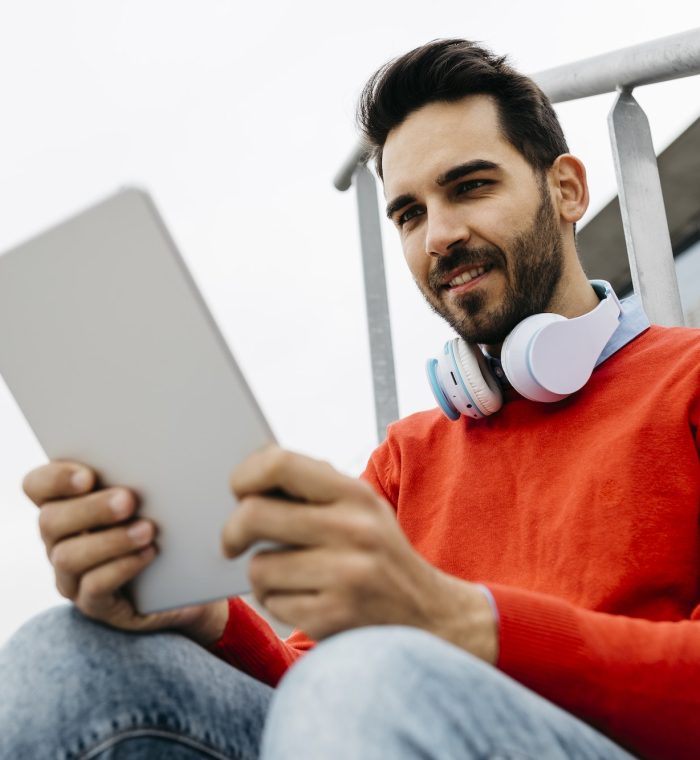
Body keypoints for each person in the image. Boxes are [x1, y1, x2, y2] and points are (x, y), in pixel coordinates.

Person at [1, 38, 698, 760]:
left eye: (471, 186)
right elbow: (315, 695)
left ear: (567, 191)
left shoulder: (690, 381)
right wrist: (209, 616)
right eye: (408, 213)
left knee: (371, 678)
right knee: (59, 657)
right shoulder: (408, 456)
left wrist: (464, 623)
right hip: (375, 715)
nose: (440, 236)